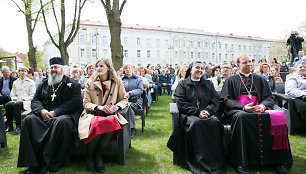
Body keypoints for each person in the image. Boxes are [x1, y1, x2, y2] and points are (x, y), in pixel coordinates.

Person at [220, 54, 292, 174]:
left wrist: (262, 106)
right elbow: (226, 100)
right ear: (238, 65)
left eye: (250, 62)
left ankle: (278, 162)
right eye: (245, 62)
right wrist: (243, 108)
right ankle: (241, 163)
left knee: (277, 117)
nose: (249, 64)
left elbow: (269, 97)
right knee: (242, 117)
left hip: (259, 109)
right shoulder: (230, 80)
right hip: (238, 111)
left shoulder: (260, 79)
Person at [17, 57, 82, 174]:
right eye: (51, 67)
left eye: (56, 67)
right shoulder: (44, 84)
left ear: (62, 69)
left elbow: (74, 102)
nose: (53, 69)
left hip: (64, 115)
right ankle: (32, 163)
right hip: (45, 114)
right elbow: (35, 100)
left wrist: (56, 112)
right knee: (29, 119)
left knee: (60, 122)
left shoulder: (73, 85)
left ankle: (48, 164)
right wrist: (41, 110)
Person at [168, 61, 225, 174]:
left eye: (202, 68)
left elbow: (215, 100)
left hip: (207, 114)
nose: (200, 70)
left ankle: (214, 160)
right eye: (197, 68)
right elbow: (180, 102)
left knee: (215, 122)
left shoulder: (208, 84)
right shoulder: (182, 84)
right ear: (191, 70)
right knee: (196, 124)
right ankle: (198, 160)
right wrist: (197, 112)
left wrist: (208, 111)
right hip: (190, 115)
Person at [78, 59, 128, 173]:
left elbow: (124, 99)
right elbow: (86, 103)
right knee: (97, 123)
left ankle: (98, 154)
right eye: (97, 66)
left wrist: (117, 107)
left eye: (101, 66)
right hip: (92, 113)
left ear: (108, 68)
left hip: (110, 113)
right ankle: (89, 155)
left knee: (111, 122)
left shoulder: (117, 82)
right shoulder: (90, 82)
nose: (98, 68)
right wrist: (99, 107)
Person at [5, 67, 36, 134]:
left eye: (25, 71)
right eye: (21, 71)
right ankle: (10, 125)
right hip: (17, 100)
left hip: (27, 101)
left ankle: (18, 126)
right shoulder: (15, 82)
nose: (23, 73)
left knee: (17, 105)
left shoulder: (31, 82)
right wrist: (14, 99)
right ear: (18, 72)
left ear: (27, 73)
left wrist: (23, 99)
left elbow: (32, 95)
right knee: (8, 105)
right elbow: (12, 93)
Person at [121, 64, 143, 137]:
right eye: (126, 68)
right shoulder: (121, 80)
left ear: (132, 70)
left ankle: (132, 128)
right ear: (124, 70)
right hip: (124, 100)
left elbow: (140, 90)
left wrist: (130, 93)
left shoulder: (138, 79)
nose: (128, 70)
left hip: (136, 101)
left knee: (129, 107)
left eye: (129, 68)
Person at [285, 61, 306, 127]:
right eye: (300, 67)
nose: (303, 68)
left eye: (304, 67)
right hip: (295, 98)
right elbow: (290, 90)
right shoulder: (293, 77)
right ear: (296, 69)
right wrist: (303, 94)